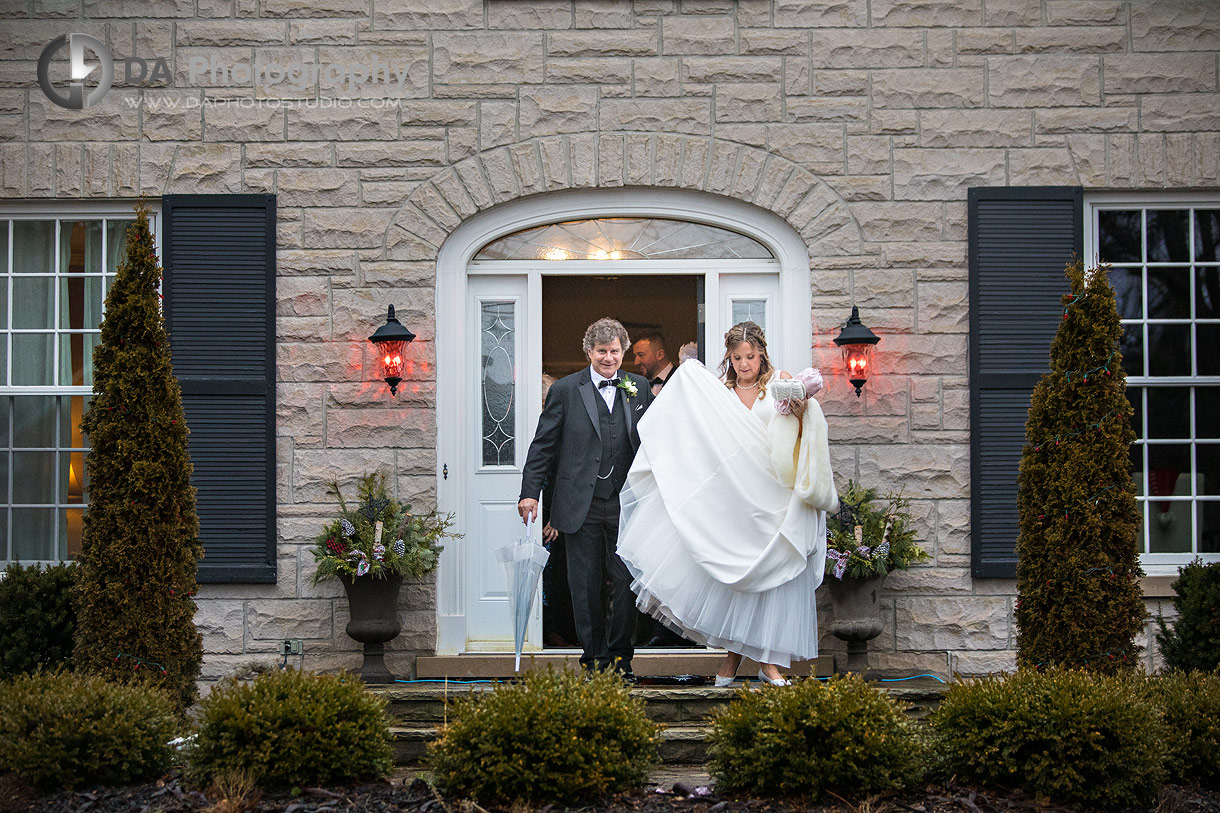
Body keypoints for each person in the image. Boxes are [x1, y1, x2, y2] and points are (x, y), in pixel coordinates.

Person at [616, 321, 837, 686]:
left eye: (750, 356)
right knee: (738, 578)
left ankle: (769, 665)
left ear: (761, 353)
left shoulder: (779, 381)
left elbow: (803, 426)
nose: (744, 364)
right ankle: (730, 662)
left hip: (774, 495)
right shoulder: (720, 391)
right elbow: (706, 438)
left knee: (773, 579)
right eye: (737, 357)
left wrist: (801, 408)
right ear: (729, 358)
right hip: (736, 500)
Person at [518, 318, 656, 678]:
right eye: (601, 352)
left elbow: (655, 442)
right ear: (589, 352)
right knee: (585, 586)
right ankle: (594, 660)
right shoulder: (565, 390)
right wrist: (530, 494)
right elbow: (543, 446)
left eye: (614, 351)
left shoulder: (638, 387)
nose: (608, 358)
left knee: (627, 583)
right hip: (581, 504)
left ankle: (622, 659)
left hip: (627, 502)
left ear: (623, 352)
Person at [632, 331, 676, 396]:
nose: (636, 362)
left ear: (660, 355)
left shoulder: (680, 379)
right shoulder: (640, 383)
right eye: (635, 356)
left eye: (641, 355)